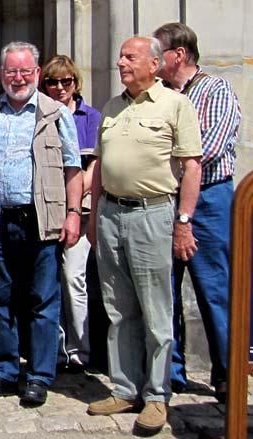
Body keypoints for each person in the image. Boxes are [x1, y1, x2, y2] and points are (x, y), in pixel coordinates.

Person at [85, 36, 202, 435]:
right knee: (118, 309)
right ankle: (124, 387)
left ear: (154, 64)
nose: (120, 62)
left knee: (155, 312)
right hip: (110, 213)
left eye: (129, 57)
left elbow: (191, 167)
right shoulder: (113, 106)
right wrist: (93, 213)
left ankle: (156, 396)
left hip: (152, 214)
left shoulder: (175, 105)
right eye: (119, 56)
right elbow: (100, 165)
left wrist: (183, 222)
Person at [0, 41, 82, 407]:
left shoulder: (55, 113)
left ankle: (38, 375)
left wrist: (72, 213)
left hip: (41, 218)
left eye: (24, 71)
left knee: (42, 300)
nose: (17, 78)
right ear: (1, 74)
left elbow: (72, 167)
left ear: (36, 73)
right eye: (10, 71)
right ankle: (3, 369)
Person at [154, 22, 241, 402]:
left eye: (160, 52)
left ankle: (229, 373)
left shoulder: (215, 90)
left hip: (207, 200)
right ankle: (171, 374)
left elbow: (206, 149)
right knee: (164, 291)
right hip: (163, 199)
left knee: (215, 289)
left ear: (180, 54)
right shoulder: (158, 96)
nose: (154, 61)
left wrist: (159, 158)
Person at [39, 54, 102, 371]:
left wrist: (74, 199)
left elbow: (92, 165)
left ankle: (78, 350)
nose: (60, 87)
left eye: (66, 81)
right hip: (46, 210)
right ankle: (56, 349)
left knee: (73, 276)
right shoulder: (40, 114)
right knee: (49, 282)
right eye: (52, 81)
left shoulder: (90, 117)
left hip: (82, 209)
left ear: (76, 83)